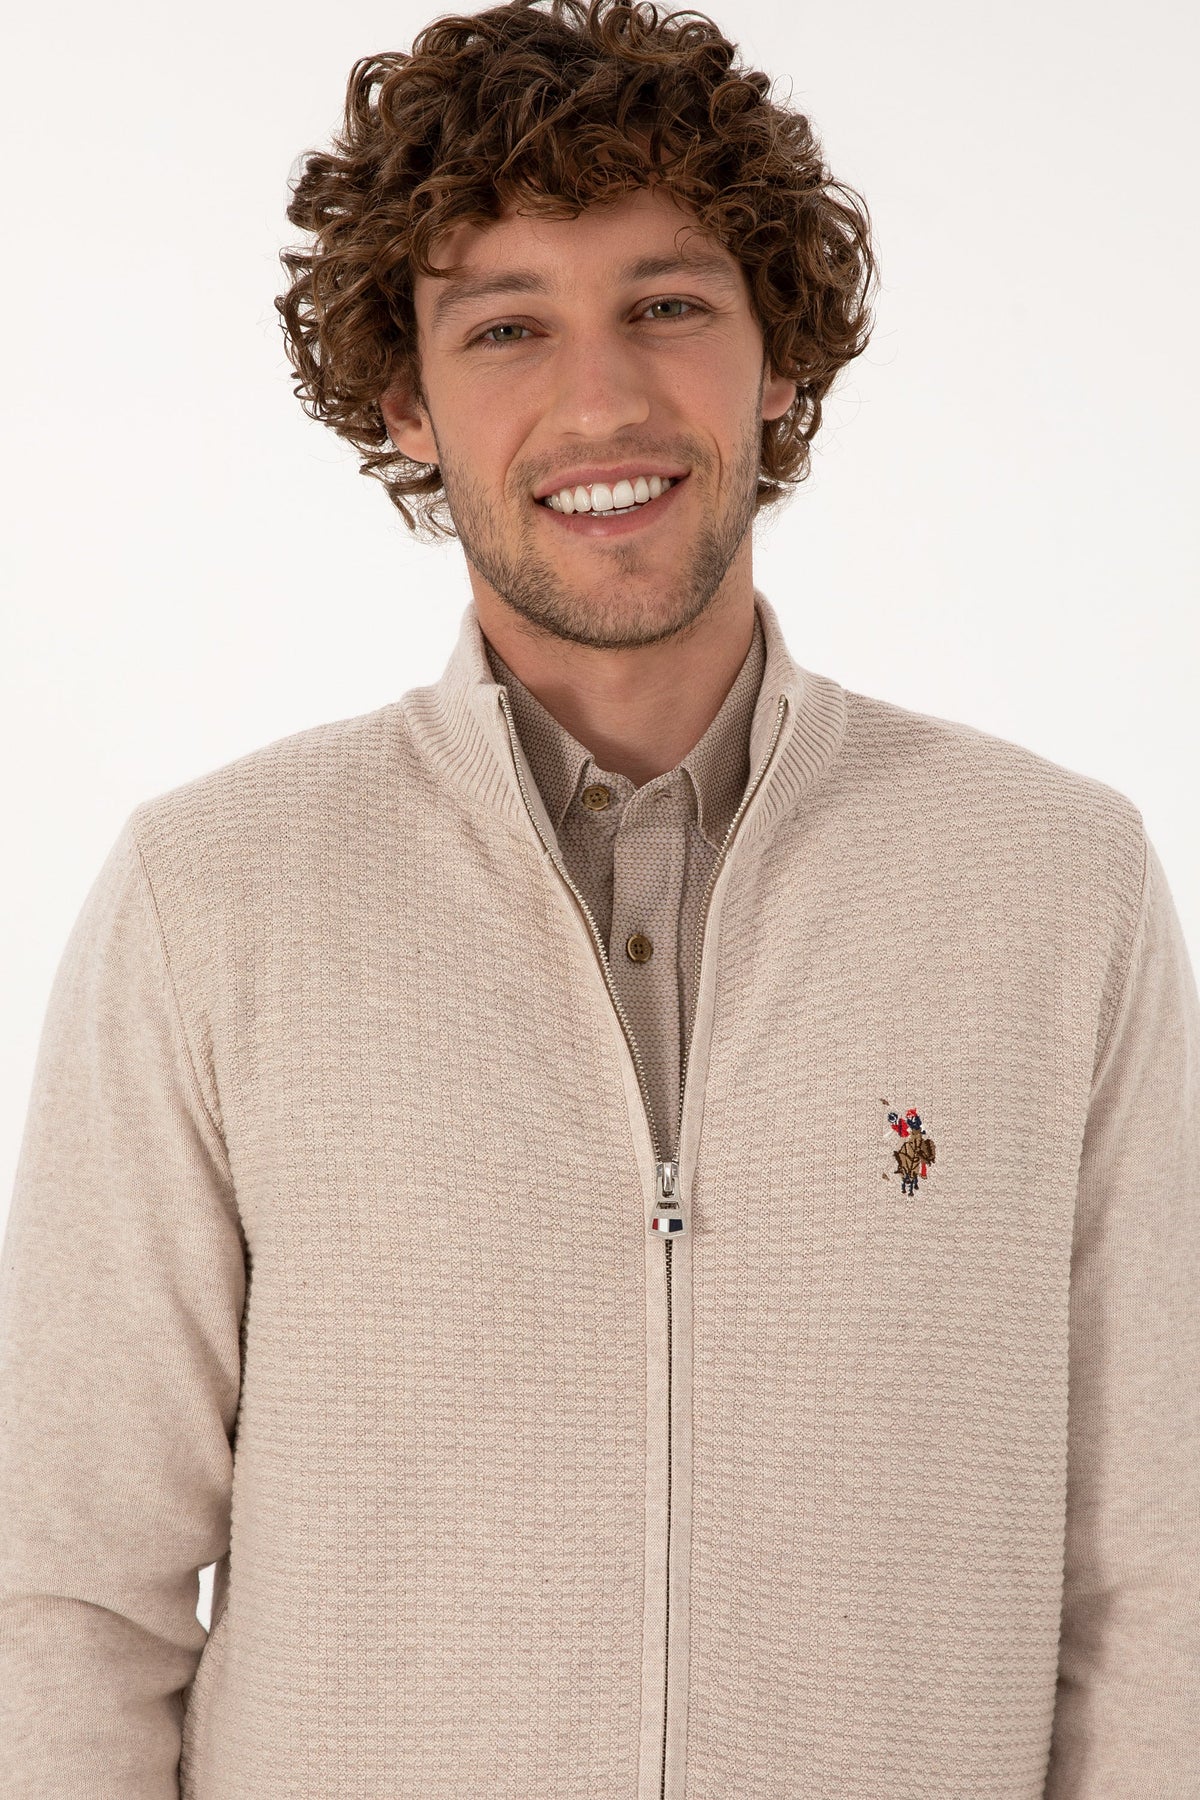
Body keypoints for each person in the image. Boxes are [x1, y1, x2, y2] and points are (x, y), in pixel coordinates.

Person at [1, 0, 1197, 1793]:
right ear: (406, 400)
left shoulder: (1052, 883)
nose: (603, 402)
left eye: (668, 305)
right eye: (506, 327)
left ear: (776, 353)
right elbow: (70, 1597)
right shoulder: (215, 900)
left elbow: (1155, 1584)